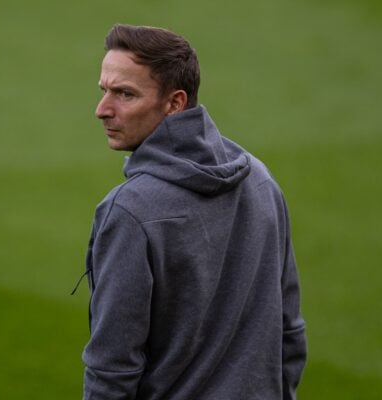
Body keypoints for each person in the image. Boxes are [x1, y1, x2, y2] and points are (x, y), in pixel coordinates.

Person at [80, 23, 307, 399]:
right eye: (104, 90)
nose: (102, 110)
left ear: (175, 103)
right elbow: (291, 333)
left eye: (124, 94)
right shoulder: (262, 180)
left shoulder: (130, 212)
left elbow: (112, 369)